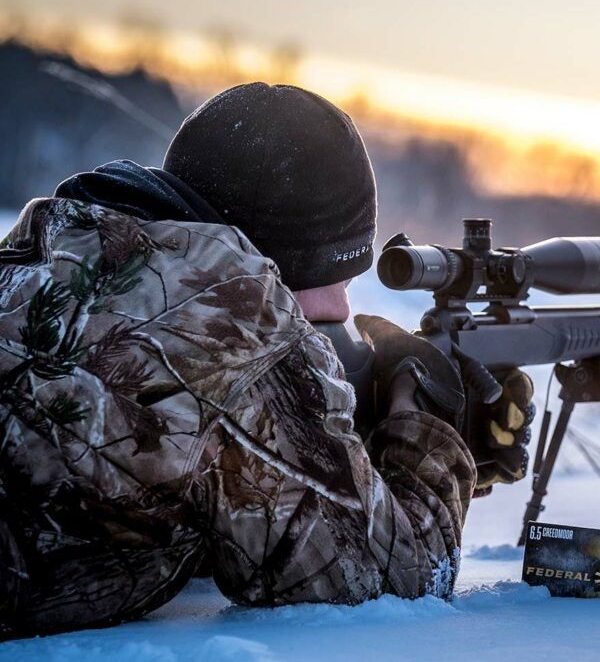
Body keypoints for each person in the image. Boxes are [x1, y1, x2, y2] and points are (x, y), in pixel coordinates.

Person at [0, 83, 533, 639]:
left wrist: (359, 447)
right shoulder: (232, 314)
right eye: (339, 282)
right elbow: (391, 574)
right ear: (275, 270)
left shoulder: (53, 250)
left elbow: (158, 489)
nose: (343, 308)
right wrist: (424, 421)